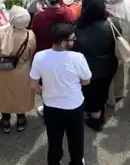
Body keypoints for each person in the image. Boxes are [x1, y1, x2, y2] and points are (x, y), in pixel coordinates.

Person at [30, 24, 90, 165]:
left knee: (54, 140)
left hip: (51, 107)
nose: (74, 40)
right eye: (72, 39)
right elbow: (86, 81)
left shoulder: (39, 57)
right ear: (63, 43)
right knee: (76, 140)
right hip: (74, 107)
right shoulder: (78, 58)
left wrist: (45, 92)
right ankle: (76, 162)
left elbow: (33, 85)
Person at [0, 6, 36, 133]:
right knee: (21, 95)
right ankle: (21, 119)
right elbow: (31, 53)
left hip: (1, 70)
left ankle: (5, 121)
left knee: (4, 95)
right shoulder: (30, 35)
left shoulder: (1, 34)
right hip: (21, 71)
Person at [73, 0, 117, 132]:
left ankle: (94, 117)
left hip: (87, 67)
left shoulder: (79, 28)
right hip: (108, 65)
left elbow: (75, 48)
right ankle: (97, 114)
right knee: (102, 90)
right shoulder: (111, 24)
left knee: (89, 92)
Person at [104, 0, 130, 102]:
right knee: (120, 68)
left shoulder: (109, 13)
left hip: (113, 45)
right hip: (125, 42)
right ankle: (119, 92)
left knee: (109, 72)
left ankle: (110, 98)